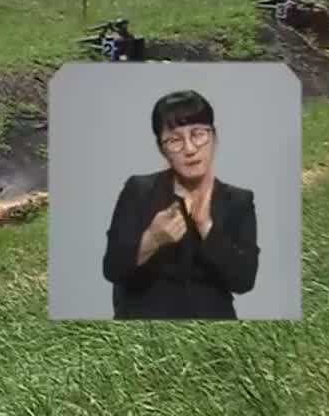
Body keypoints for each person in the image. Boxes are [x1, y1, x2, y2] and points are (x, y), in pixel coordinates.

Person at [101, 89, 258, 319]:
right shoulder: (140, 191)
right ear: (162, 149)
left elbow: (244, 281)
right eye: (175, 140)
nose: (190, 149)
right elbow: (113, 268)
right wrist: (152, 239)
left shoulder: (238, 200)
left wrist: (206, 226)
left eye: (198, 134)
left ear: (214, 137)